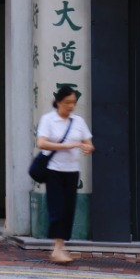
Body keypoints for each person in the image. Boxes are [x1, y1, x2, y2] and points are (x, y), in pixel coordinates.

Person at [36, 86, 94, 264]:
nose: (71, 106)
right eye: (68, 102)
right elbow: (41, 143)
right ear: (58, 101)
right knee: (58, 209)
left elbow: (89, 144)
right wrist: (67, 146)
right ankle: (58, 249)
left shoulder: (78, 121)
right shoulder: (48, 119)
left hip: (72, 172)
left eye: (74, 103)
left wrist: (87, 148)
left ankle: (59, 248)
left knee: (68, 210)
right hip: (54, 170)